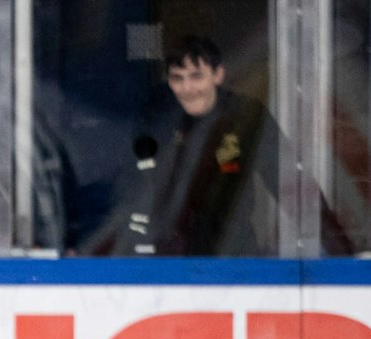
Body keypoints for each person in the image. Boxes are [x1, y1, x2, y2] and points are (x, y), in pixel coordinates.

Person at [86, 35, 279, 256]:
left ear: (218, 75)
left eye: (196, 76)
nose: (187, 88)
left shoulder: (245, 115)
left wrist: (324, 241)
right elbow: (131, 188)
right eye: (177, 78)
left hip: (231, 253)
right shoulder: (157, 119)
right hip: (168, 256)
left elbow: (288, 181)